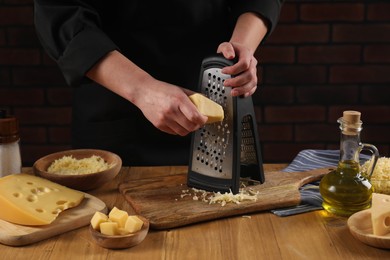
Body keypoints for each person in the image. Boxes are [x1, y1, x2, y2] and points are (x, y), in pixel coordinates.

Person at [34, 1, 283, 166]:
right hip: (116, 116)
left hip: (217, 99)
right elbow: (61, 14)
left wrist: (242, 47)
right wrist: (142, 89)